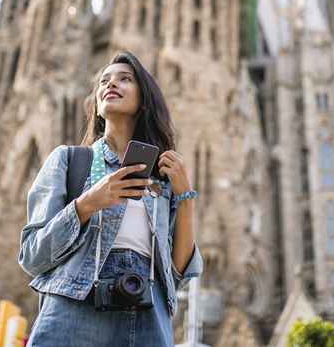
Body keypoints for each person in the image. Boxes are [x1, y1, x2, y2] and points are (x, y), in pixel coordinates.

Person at [18, 50, 202, 346]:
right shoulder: (69, 161)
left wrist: (186, 197)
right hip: (75, 309)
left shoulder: (161, 177)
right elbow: (31, 255)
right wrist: (87, 203)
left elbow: (178, 272)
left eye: (124, 79)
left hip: (146, 314)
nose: (110, 84)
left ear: (144, 101)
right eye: (104, 81)